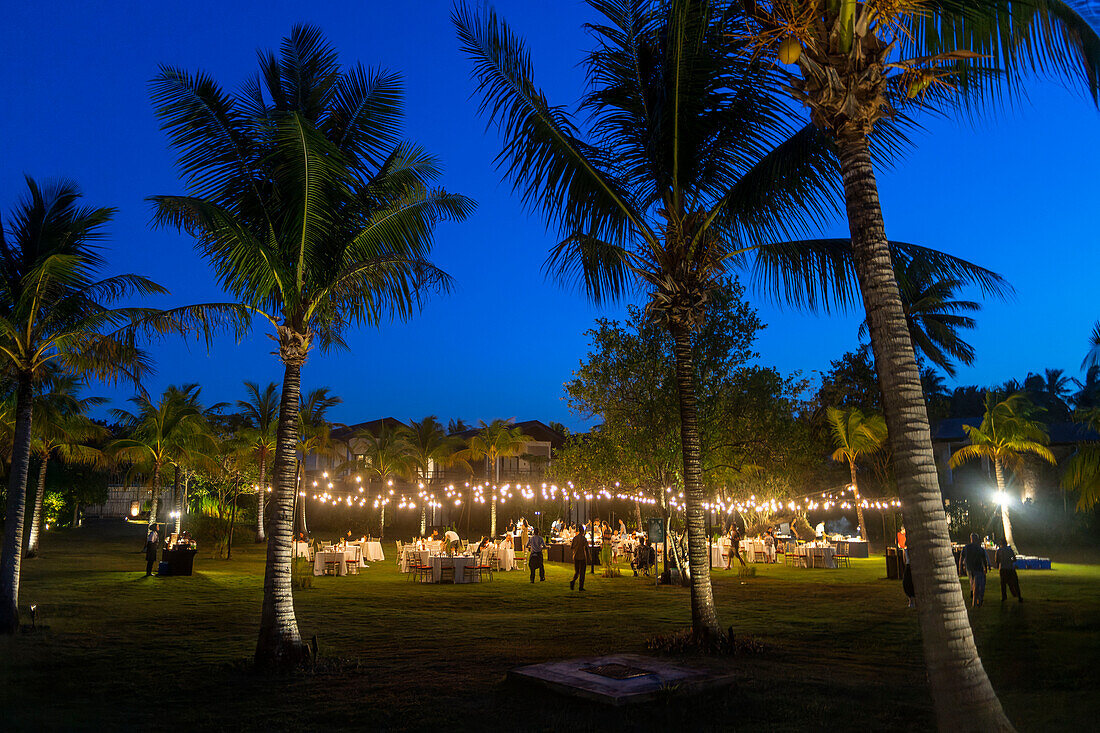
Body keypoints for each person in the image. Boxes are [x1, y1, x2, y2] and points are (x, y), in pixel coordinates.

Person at [959, 532, 990, 607]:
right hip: (977, 568)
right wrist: (985, 567)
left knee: (973, 584)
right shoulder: (979, 549)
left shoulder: (966, 548)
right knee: (978, 585)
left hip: (969, 568)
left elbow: (961, 558)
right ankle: (976, 601)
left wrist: (960, 568)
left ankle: (975, 600)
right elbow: (984, 559)